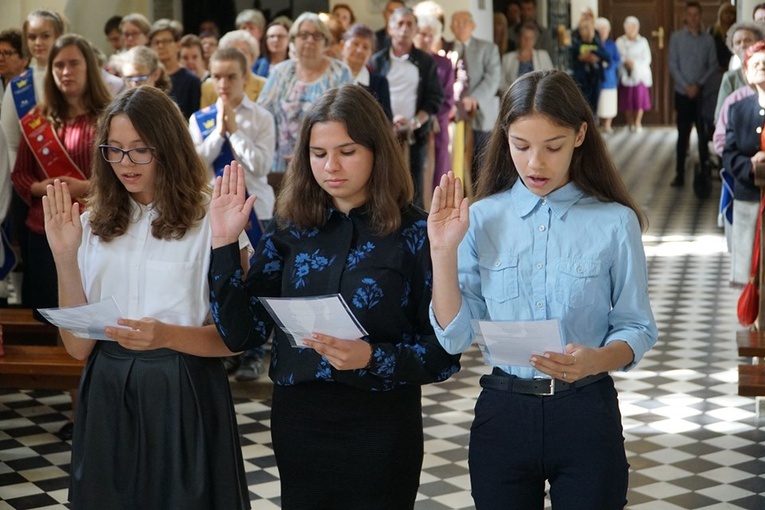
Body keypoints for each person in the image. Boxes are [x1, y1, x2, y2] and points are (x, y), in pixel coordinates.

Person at [208, 83, 460, 509]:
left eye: (347, 151)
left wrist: (371, 357)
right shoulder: (291, 228)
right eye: (318, 153)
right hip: (301, 419)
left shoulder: (419, 233)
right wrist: (223, 244)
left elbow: (443, 356)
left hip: (382, 423)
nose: (331, 166)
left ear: (377, 151)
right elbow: (240, 334)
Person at [428, 69, 658, 509]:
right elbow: (455, 337)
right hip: (503, 413)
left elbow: (636, 326)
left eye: (552, 146)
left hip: (586, 410)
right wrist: (442, 253)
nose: (536, 163)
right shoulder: (480, 218)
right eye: (521, 146)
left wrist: (598, 359)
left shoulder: (614, 222)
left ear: (579, 136)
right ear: (504, 138)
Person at [43, 85, 249, 509]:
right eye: (114, 150)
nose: (125, 164)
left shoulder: (211, 218)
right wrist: (65, 256)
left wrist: (165, 336)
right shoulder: (94, 223)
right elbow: (79, 347)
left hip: (184, 385)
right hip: (108, 385)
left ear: (168, 147)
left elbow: (237, 336)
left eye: (140, 150)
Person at [257, 12, 353, 174]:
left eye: (316, 36)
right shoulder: (281, 72)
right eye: (303, 35)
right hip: (282, 161)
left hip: (327, 162)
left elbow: (349, 116)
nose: (309, 40)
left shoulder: (340, 72)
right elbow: (262, 113)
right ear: (293, 40)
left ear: (326, 42)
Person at [369, 7, 443, 207]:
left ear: (415, 29)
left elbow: (435, 98)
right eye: (400, 23)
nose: (404, 28)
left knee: (415, 184)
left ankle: (418, 230)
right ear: (390, 28)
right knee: (383, 183)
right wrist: (387, 121)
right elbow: (370, 95)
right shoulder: (377, 60)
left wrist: (415, 121)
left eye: (409, 24)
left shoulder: (426, 61)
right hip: (383, 131)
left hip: (415, 133)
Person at [723, 42, 765, 288]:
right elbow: (729, 154)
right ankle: (755, 320)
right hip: (748, 194)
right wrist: (750, 164)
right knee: (750, 267)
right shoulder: (738, 110)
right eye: (756, 65)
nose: (761, 69)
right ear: (746, 73)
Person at [1, 9, 66, 168]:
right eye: (32, 37)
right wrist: (19, 179)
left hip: (72, 169)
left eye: (45, 36)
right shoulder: (17, 86)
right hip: (30, 177)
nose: (38, 42)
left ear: (58, 37)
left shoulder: (70, 78)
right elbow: (10, 141)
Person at [668, 1, 717, 195]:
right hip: (682, 92)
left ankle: (704, 173)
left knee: (704, 135)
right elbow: (673, 64)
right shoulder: (677, 38)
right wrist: (686, 86)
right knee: (683, 133)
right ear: (686, 16)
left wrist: (698, 85)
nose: (693, 18)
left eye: (696, 14)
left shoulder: (708, 40)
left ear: (700, 16)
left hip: (702, 94)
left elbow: (712, 65)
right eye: (690, 14)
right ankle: (679, 173)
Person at [450, 11, 501, 188]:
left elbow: (493, 77)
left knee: (481, 162)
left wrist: (474, 98)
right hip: (453, 116)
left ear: (473, 26)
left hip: (481, 115)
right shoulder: (447, 48)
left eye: (465, 22)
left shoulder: (488, 48)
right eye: (456, 22)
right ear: (450, 27)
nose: (460, 25)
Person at [414, 15, 454, 191]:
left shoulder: (444, 63)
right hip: (412, 123)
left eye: (431, 35)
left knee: (438, 172)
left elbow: (448, 98)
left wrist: (432, 116)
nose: (426, 38)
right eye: (422, 34)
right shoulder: (408, 60)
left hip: (438, 122)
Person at [200, 30, 267, 108]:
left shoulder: (264, 86)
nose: (238, 58)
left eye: (243, 52)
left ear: (252, 57)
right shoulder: (208, 87)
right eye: (233, 52)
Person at [149, 19, 201, 119]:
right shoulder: (149, 78)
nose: (160, 46)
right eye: (156, 42)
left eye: (165, 41)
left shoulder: (191, 80)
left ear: (178, 46)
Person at [342, 23, 392, 121]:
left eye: (365, 47)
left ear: (371, 54)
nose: (360, 50)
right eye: (355, 44)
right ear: (342, 45)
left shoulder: (379, 83)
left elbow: (386, 121)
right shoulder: (329, 75)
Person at [616, 16, 653, 133]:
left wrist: (635, 63)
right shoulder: (620, 41)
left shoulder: (643, 41)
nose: (631, 29)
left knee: (639, 99)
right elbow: (618, 56)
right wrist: (625, 62)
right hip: (625, 73)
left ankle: (637, 122)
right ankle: (629, 122)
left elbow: (647, 58)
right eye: (628, 27)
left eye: (633, 27)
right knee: (627, 99)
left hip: (640, 74)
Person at [570, 18, 610, 115]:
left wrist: (594, 54)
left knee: (594, 104)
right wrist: (581, 58)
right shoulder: (577, 45)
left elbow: (607, 57)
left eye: (589, 29)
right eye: (584, 29)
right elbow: (571, 60)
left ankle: (593, 123)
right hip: (581, 78)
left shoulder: (596, 44)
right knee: (583, 103)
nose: (587, 32)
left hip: (596, 78)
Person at [500, 21, 554, 92]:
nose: (527, 41)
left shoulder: (543, 55)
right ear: (519, 39)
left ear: (534, 41)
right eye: (524, 37)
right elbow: (501, 82)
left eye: (530, 38)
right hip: (515, 97)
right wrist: (512, 94)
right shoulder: (507, 58)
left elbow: (551, 77)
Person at [595, 17, 620, 134]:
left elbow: (618, 60)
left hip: (609, 77)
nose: (603, 32)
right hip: (596, 77)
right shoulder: (593, 44)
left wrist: (609, 64)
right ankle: (597, 124)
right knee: (598, 101)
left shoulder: (612, 44)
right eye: (601, 30)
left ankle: (607, 125)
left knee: (609, 101)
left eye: (605, 29)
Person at [710, 2, 736, 72]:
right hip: (716, 67)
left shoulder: (736, 31)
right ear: (721, 14)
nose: (728, 16)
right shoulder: (713, 31)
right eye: (726, 13)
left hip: (732, 66)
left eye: (731, 13)